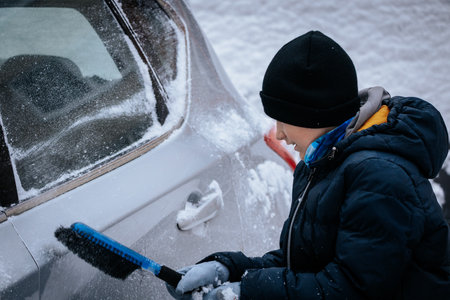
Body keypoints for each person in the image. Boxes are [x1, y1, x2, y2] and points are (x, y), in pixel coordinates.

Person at [167, 31, 450, 299]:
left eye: (283, 119)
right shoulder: (322, 162)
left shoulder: (380, 179)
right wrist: (229, 268)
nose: (278, 134)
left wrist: (249, 292)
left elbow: (352, 289)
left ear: (312, 114)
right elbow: (303, 263)